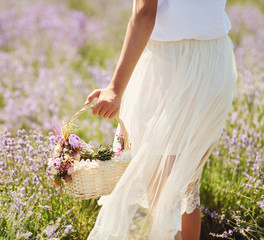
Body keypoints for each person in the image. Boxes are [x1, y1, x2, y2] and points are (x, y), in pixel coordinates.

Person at [84, 0, 237, 239]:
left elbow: (145, 14)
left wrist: (115, 88)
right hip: (215, 58)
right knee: (187, 183)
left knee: (164, 187)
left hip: (168, 64)